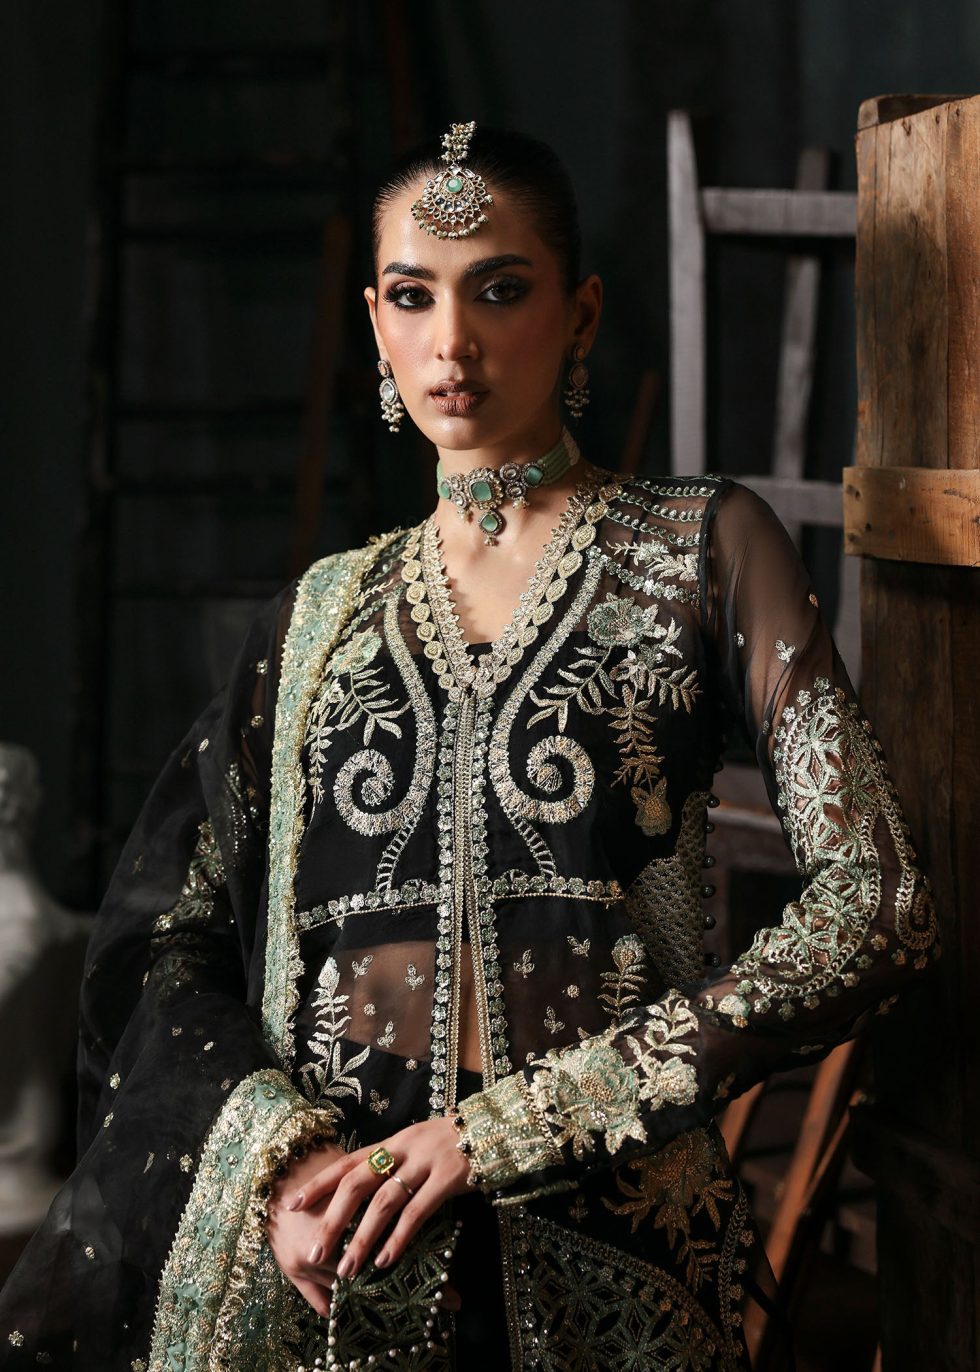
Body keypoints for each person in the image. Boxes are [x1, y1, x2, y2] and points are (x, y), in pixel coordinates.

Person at [0, 121, 939, 1371]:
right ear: (375, 322)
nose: (452, 342)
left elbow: (876, 902)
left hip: (614, 1236)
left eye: (498, 290)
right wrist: (281, 1165)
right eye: (412, 295)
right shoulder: (315, 618)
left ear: (580, 312)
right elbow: (166, 940)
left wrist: (509, 1130)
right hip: (344, 1240)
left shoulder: (699, 551)